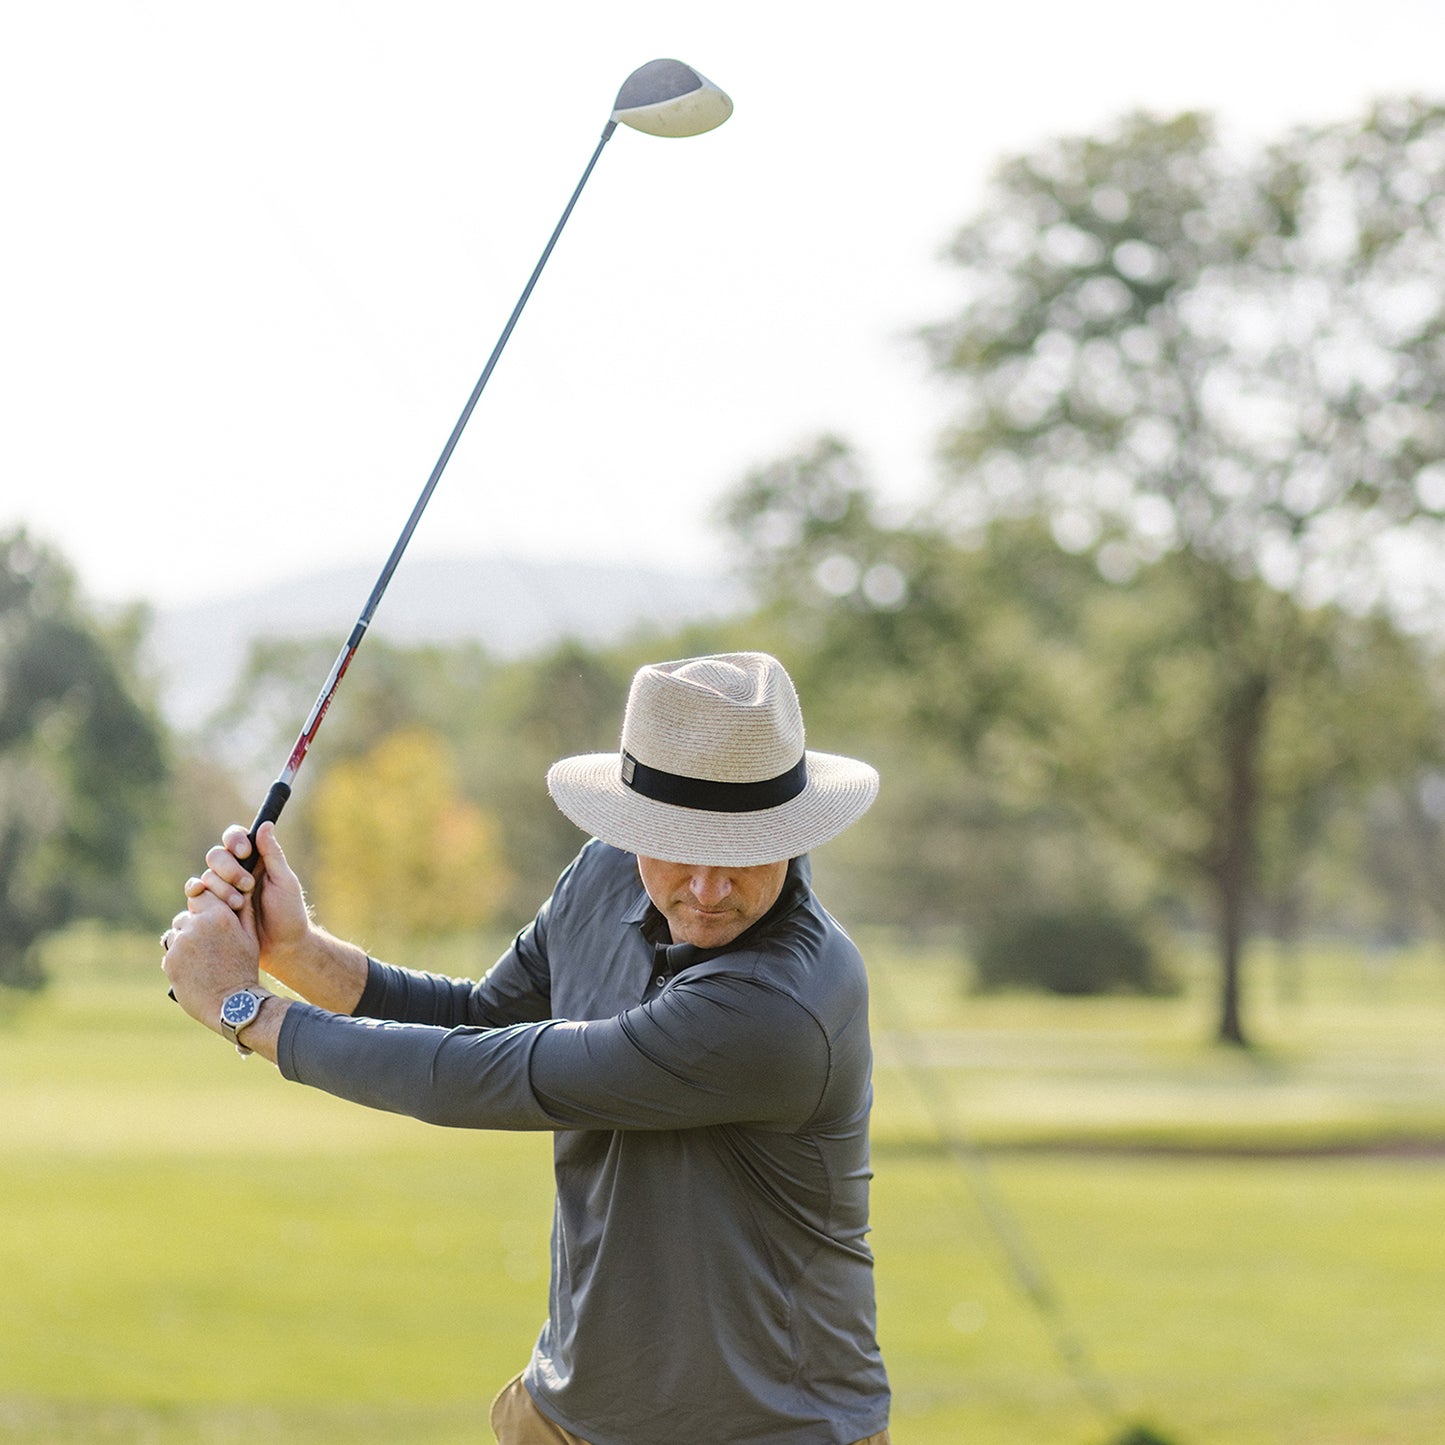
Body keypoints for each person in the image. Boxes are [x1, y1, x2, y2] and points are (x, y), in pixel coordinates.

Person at [163, 651, 891, 1445]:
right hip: (568, 1417)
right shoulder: (607, 876)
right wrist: (295, 949)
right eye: (678, 845)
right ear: (634, 825)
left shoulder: (779, 1005)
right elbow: (480, 1020)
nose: (707, 888)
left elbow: (493, 1076)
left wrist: (244, 1008)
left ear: (791, 830)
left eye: (741, 849)